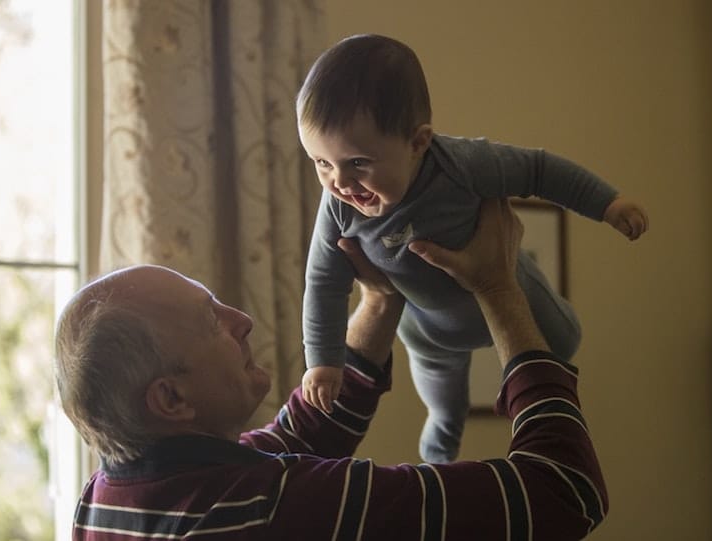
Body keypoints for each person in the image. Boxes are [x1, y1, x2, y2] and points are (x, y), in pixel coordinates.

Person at [55, 199, 608, 540]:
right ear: (171, 400)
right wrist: (498, 287)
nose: (242, 320)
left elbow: (300, 435)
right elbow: (562, 492)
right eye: (211, 322)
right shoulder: (274, 509)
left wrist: (378, 300)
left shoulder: (105, 499)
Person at [298, 33, 648, 463]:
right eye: (321, 162)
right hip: (428, 330)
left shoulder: (462, 165)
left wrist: (608, 204)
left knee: (565, 341)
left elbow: (539, 170)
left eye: (358, 163)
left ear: (417, 143)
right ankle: (439, 456)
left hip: (509, 287)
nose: (340, 183)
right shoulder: (338, 207)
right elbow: (323, 283)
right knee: (444, 406)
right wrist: (323, 361)